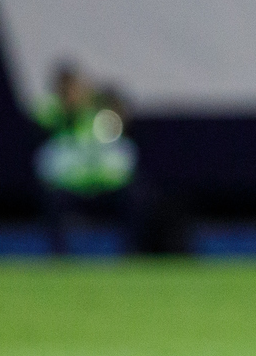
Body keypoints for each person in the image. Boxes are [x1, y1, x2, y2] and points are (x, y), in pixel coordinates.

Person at [31, 62, 181, 255]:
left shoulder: (101, 109)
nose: (74, 94)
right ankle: (60, 255)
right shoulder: (54, 112)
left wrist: (105, 101)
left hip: (107, 185)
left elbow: (121, 118)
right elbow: (42, 117)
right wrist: (67, 106)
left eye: (77, 87)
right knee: (52, 198)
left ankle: (131, 253)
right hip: (71, 186)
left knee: (137, 195)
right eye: (69, 89)